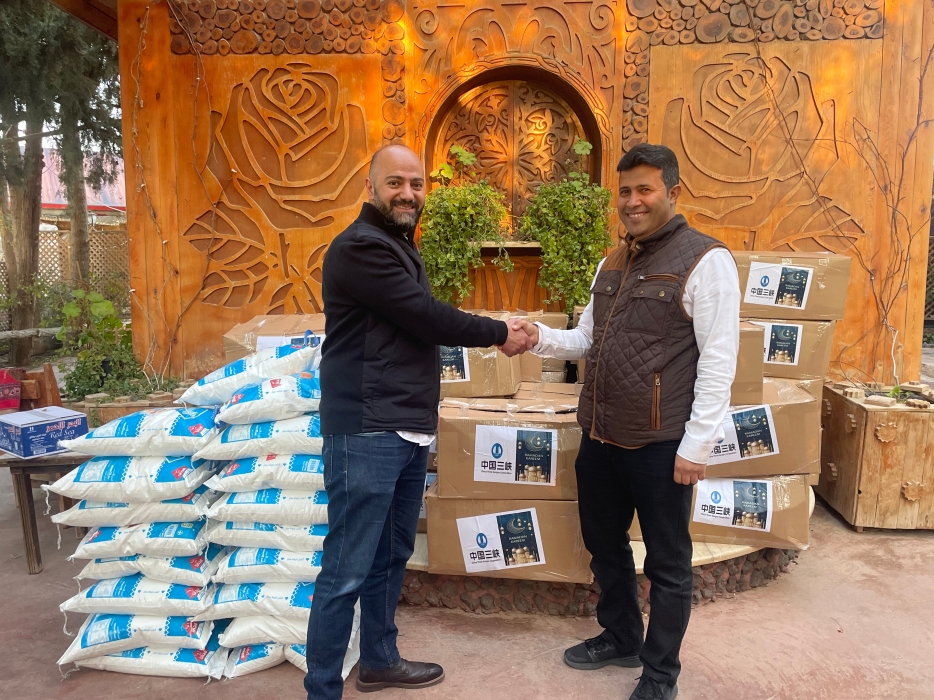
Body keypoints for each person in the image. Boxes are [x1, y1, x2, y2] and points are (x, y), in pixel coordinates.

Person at [304, 144, 533, 699]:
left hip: (404, 425)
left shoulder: (397, 245)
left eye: (416, 184)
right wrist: (499, 332)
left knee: (390, 555)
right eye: (395, 183)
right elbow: (424, 316)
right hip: (368, 428)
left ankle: (379, 660)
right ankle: (321, 690)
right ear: (370, 187)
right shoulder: (360, 247)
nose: (408, 194)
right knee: (346, 568)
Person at [515, 143, 740, 700]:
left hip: (661, 445)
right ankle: (621, 637)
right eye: (624, 191)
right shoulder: (612, 261)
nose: (632, 201)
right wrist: (536, 336)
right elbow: (587, 339)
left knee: (667, 564)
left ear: (673, 192)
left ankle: (660, 675)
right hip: (600, 435)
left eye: (644, 189)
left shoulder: (706, 261)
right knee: (604, 545)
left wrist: (697, 447)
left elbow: (719, 360)